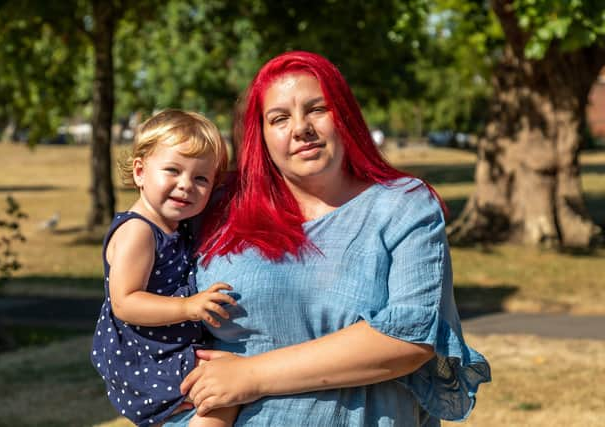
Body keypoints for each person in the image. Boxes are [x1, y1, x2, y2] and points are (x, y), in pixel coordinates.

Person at [166, 51, 491, 426]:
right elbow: (139, 285)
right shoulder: (218, 206)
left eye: (317, 109)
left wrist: (251, 375)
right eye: (279, 118)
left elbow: (408, 340)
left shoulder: (402, 206)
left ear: (345, 116)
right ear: (262, 135)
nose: (301, 127)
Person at [90, 109, 239, 427]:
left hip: (165, 348)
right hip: (148, 357)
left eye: (201, 178)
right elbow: (125, 302)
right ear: (141, 172)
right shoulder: (139, 231)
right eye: (172, 170)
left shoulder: (175, 225)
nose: (186, 185)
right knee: (221, 397)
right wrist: (188, 307)